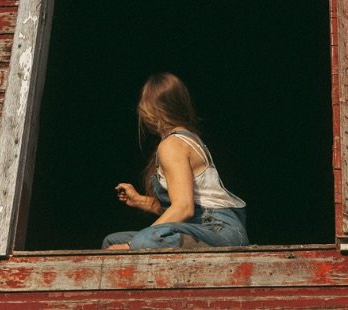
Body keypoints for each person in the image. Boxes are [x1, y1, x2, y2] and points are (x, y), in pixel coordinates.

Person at [101, 72, 248, 251]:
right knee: (112, 241)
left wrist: (132, 244)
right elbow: (184, 207)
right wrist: (140, 200)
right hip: (204, 226)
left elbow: (184, 208)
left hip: (219, 229)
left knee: (144, 240)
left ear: (151, 109)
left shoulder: (172, 145)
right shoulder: (183, 138)